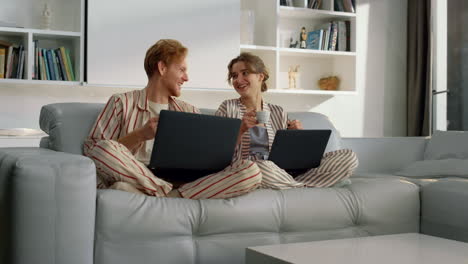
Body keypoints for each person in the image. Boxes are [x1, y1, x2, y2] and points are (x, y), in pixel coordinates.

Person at [84, 40, 261, 199]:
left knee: (251, 171)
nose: (186, 77)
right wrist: (140, 135)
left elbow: (204, 159)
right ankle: (165, 192)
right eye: (181, 70)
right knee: (103, 148)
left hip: (184, 182)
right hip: (136, 176)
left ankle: (169, 196)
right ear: (162, 68)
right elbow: (93, 151)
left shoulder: (189, 110)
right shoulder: (121, 102)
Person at [215, 52, 358, 189]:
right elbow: (215, 154)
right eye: (234, 76)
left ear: (260, 77)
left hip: (283, 173)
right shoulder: (227, 108)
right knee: (260, 166)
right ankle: (301, 186)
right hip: (251, 171)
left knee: (348, 157)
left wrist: (299, 137)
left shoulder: (278, 112)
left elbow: (292, 157)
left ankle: (290, 184)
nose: (238, 80)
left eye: (245, 73)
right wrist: (241, 130)